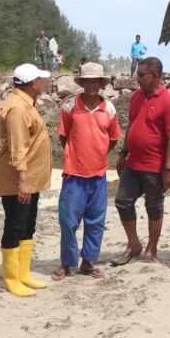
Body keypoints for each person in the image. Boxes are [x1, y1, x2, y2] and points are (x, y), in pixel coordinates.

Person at [53, 63, 122, 281]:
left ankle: (88, 262)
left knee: (95, 221)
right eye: (88, 81)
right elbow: (63, 136)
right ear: (81, 83)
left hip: (98, 175)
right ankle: (67, 262)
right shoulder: (69, 106)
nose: (92, 85)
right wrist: (75, 154)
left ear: (101, 84)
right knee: (68, 221)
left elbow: (113, 138)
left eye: (96, 81)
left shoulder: (109, 108)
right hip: (74, 174)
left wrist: (99, 154)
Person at [111, 57, 170, 265]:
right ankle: (134, 244)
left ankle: (151, 248)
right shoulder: (136, 97)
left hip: (155, 166)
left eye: (142, 75)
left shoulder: (168, 103)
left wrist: (168, 169)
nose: (137, 78)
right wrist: (123, 153)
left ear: (156, 76)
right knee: (123, 201)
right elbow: (132, 125)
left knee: (153, 206)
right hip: (133, 163)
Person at [0, 63, 52, 297]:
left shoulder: (26, 103)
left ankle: (23, 273)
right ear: (33, 83)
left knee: (28, 224)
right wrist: (23, 180)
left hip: (31, 177)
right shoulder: (17, 108)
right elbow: (18, 148)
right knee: (15, 225)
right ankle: (11, 278)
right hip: (19, 179)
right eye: (41, 80)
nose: (44, 83)